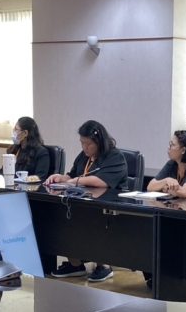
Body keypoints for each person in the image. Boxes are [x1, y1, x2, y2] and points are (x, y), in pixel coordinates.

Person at [45, 120, 128, 283]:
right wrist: (61, 178)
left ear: (99, 141)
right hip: (84, 203)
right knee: (62, 216)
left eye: (88, 144)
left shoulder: (114, 156)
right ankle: (75, 264)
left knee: (92, 219)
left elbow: (101, 181)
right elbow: (72, 175)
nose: (84, 147)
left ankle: (103, 265)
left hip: (108, 208)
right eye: (82, 143)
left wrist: (74, 181)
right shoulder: (84, 156)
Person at [146, 130, 186, 201]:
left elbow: (185, 192)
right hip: (177, 205)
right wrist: (166, 181)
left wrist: (166, 188)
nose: (169, 148)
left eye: (172, 145)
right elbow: (150, 187)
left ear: (183, 150)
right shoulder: (172, 163)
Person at [7, 116, 51, 180]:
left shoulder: (41, 152)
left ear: (25, 133)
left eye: (16, 129)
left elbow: (40, 177)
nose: (14, 132)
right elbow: (4, 171)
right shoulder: (13, 149)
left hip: (28, 186)